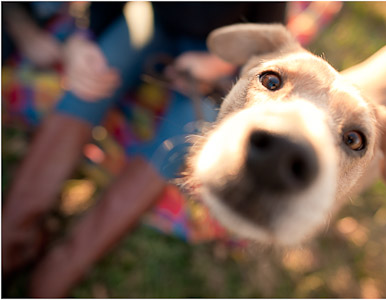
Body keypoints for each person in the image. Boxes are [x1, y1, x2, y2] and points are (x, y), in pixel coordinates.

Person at [1, 2, 285, 296]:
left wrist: (220, 64)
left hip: (222, 61)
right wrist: (83, 39)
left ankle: (56, 274)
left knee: (177, 142)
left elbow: (273, 47)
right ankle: (10, 242)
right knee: (90, 79)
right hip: (149, 18)